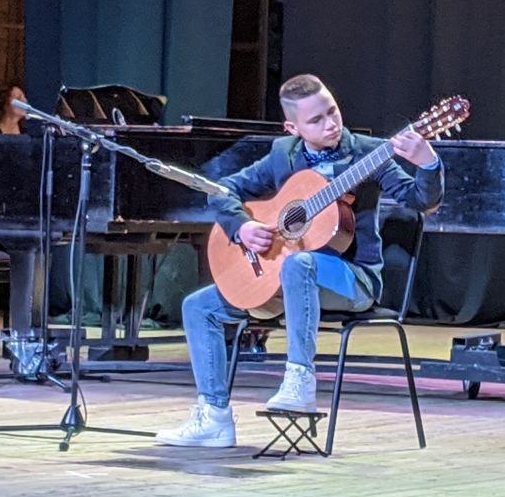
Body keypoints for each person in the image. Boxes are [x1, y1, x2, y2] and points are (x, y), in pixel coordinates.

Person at [156, 74, 443, 448]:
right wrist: (242, 227)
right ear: (292, 128)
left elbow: (421, 202)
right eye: (316, 120)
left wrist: (428, 163)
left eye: (332, 111)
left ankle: (300, 380)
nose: (331, 124)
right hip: (287, 278)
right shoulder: (283, 154)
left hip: (351, 280)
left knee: (300, 264)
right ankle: (213, 419)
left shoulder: (369, 154)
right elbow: (223, 191)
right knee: (199, 306)